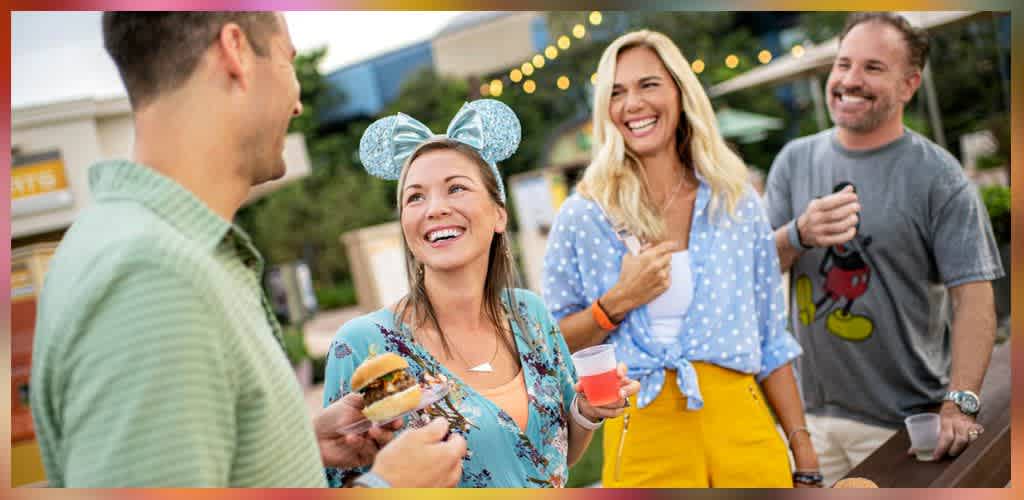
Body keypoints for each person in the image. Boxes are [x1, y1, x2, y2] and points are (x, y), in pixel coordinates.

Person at [29, 12, 463, 487]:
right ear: (235, 51)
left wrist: (293, 444)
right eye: (287, 61)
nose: (297, 100)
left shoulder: (132, 242)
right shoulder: (153, 274)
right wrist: (389, 489)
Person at [542, 30, 820, 488]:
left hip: (744, 427)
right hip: (644, 430)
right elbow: (550, 345)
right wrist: (615, 303)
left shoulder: (735, 202)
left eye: (648, 84)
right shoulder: (584, 215)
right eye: (617, 91)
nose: (633, 103)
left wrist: (804, 453)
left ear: (679, 91)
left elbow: (772, 339)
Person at [323, 99, 640, 488]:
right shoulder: (369, 348)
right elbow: (344, 481)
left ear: (498, 214)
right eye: (415, 197)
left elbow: (552, 458)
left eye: (456, 188)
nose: (435, 208)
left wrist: (587, 411)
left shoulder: (530, 316)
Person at [765, 12, 1004, 486]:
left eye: (873, 68)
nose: (849, 80)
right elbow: (753, 268)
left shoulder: (941, 178)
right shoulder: (794, 160)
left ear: (909, 84)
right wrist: (799, 233)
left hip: (899, 424)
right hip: (802, 420)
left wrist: (960, 402)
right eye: (843, 64)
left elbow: (973, 298)